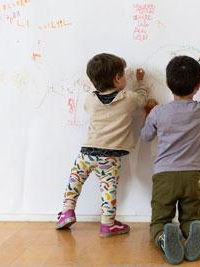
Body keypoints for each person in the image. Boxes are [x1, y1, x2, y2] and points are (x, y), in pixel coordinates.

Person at [56, 53, 148, 237]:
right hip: (110, 156)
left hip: (87, 153)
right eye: (123, 74)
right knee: (108, 187)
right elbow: (142, 98)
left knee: (75, 180)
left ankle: (67, 210)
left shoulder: (90, 100)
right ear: (117, 78)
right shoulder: (128, 99)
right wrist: (140, 82)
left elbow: (90, 105)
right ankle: (107, 224)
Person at [140, 53, 200, 264]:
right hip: (193, 176)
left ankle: (163, 236)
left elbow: (146, 136)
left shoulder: (158, 112)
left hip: (165, 176)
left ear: (167, 83)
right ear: (197, 86)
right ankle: (193, 230)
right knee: (191, 217)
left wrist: (148, 112)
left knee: (159, 221)